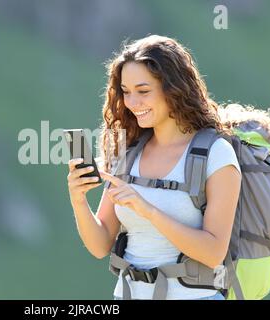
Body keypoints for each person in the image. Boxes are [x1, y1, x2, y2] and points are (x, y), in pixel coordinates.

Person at [66, 35, 242, 300]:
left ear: (173, 88)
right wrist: (78, 200)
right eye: (125, 92)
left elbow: (214, 251)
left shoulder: (217, 154)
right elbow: (100, 245)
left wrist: (148, 210)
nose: (132, 103)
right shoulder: (129, 152)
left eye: (143, 91)